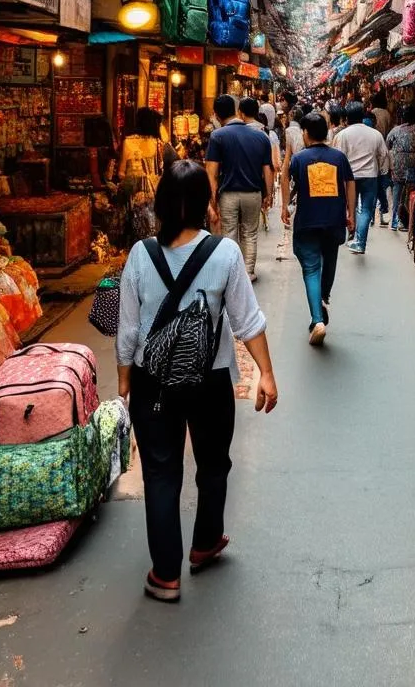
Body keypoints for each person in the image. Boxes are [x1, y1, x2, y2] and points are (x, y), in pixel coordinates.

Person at [116, 160, 278, 603]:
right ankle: (205, 543)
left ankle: (165, 574)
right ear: (205, 203)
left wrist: (125, 383)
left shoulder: (139, 255)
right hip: (210, 382)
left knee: (162, 474)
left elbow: (128, 330)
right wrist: (265, 372)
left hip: (153, 386)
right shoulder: (224, 254)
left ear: (161, 203)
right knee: (213, 464)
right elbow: (248, 321)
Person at [284, 113, 355, 345]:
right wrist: (351, 213)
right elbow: (350, 184)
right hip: (334, 220)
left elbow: (288, 179)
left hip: (308, 221)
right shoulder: (339, 157)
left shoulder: (300, 159)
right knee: (330, 259)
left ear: (306, 133)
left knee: (312, 268)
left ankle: (317, 320)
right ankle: (323, 298)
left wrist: (285, 207)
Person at [205, 95, 273, 281]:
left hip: (228, 194)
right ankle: (248, 272)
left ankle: (231, 272)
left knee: (229, 234)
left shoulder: (217, 136)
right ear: (236, 112)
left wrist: (212, 201)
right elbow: (268, 170)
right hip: (253, 193)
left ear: (217, 115)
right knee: (250, 233)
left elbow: (211, 173)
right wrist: (268, 194)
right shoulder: (261, 136)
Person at [332, 101, 388, 255]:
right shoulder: (375, 134)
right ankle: (360, 242)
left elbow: (337, 157)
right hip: (370, 176)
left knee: (351, 206)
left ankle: (352, 232)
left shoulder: (341, 135)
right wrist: (381, 172)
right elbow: (383, 155)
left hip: (349, 177)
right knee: (366, 210)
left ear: (347, 118)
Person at [118, 108, 165, 244]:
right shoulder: (158, 144)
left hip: (132, 195)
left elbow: (121, 173)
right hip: (153, 197)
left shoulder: (128, 141)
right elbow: (161, 170)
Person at [385, 104, 415, 231]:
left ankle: (394, 220)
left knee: (397, 192)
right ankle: (408, 221)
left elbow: (388, 143)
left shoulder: (396, 130)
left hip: (398, 164)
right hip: (413, 165)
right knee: (412, 192)